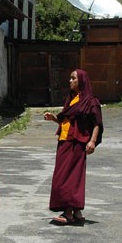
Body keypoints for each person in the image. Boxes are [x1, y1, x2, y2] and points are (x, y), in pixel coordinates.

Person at [43, 69, 103, 225]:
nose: (70, 81)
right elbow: (65, 121)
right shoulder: (71, 99)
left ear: (81, 81)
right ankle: (76, 212)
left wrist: (92, 141)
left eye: (73, 78)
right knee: (63, 175)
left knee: (70, 177)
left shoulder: (90, 101)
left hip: (77, 142)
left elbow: (97, 123)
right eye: (70, 78)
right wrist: (54, 119)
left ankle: (68, 212)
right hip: (65, 141)